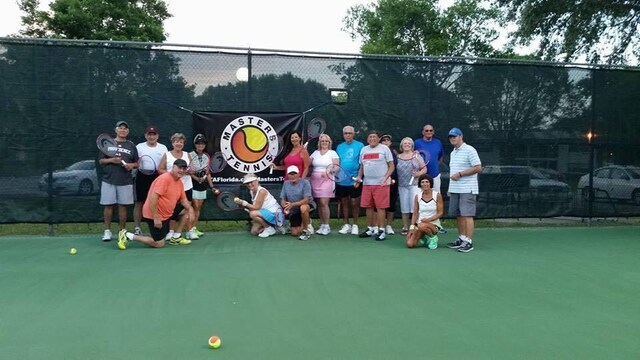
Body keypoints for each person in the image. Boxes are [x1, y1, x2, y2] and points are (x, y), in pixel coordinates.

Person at [117, 159, 195, 249]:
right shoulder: (164, 179)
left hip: (167, 214)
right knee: (159, 243)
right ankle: (126, 235)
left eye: (184, 168)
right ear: (173, 167)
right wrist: (156, 217)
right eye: (179, 168)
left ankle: (176, 237)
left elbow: (184, 200)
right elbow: (153, 198)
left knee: (186, 210)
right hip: (153, 215)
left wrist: (191, 210)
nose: (181, 170)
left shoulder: (179, 182)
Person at [99, 120, 138, 241]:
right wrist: (111, 160)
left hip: (125, 181)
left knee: (123, 207)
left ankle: (122, 232)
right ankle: (107, 231)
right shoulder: (108, 144)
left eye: (125, 128)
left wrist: (131, 165)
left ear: (128, 131)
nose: (122, 130)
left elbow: (137, 163)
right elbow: (101, 161)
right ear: (116, 130)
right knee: (108, 206)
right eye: (120, 128)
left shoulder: (131, 145)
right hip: (108, 180)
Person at [446, 128, 482, 253]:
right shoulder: (453, 152)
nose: (452, 138)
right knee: (458, 215)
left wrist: (461, 174)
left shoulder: (470, 150)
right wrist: (450, 188)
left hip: (468, 188)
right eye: (450, 137)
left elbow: (478, 168)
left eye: (454, 136)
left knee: (467, 215)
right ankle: (462, 238)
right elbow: (452, 172)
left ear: (461, 136)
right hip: (455, 189)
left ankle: (468, 241)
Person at [355, 130, 395, 241]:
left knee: (380, 208)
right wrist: (359, 178)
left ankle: (381, 230)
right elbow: (362, 167)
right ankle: (370, 229)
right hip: (367, 183)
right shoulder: (364, 150)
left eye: (374, 137)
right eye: (370, 137)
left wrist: (385, 178)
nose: (372, 139)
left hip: (382, 184)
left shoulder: (384, 149)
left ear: (378, 139)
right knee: (368, 207)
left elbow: (391, 166)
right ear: (368, 139)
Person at [158, 133, 196, 241]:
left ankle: (184, 232)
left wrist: (189, 171)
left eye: (181, 142)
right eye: (176, 141)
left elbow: (192, 170)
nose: (178, 144)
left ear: (183, 143)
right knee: (172, 211)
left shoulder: (187, 154)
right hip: (172, 188)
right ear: (172, 143)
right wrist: (172, 174)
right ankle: (171, 231)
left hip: (187, 187)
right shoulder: (167, 155)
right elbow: (160, 169)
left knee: (186, 210)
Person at [133, 125, 168, 236]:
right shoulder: (139, 147)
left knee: (157, 202)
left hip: (157, 176)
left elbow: (166, 164)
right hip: (142, 176)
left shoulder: (163, 148)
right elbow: (135, 162)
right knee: (140, 202)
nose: (151, 137)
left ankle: (157, 226)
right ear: (145, 136)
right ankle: (137, 228)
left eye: (154, 135)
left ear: (157, 136)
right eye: (149, 134)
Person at [335, 125, 365, 235]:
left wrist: (359, 178)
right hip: (341, 180)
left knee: (355, 203)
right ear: (343, 135)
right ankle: (346, 224)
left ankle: (355, 225)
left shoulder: (360, 146)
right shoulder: (339, 147)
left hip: (354, 180)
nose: (348, 135)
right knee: (344, 202)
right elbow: (337, 163)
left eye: (350, 133)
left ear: (353, 134)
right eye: (346, 133)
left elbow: (362, 163)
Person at [234, 173, 282, 238]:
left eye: (251, 182)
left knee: (252, 214)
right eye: (247, 183)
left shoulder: (262, 191)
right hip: (264, 213)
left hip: (276, 214)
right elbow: (255, 207)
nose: (249, 185)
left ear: (256, 181)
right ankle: (274, 228)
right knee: (254, 231)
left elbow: (257, 207)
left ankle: (269, 228)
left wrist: (244, 203)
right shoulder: (251, 191)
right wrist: (245, 207)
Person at [309, 134, 339, 235]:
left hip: (328, 180)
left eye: (326, 141)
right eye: (322, 141)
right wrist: (303, 151)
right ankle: (322, 225)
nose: (324, 143)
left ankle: (327, 226)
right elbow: (307, 162)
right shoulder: (315, 153)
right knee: (319, 203)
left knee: (324, 203)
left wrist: (328, 172)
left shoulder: (332, 153)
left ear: (329, 142)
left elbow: (336, 167)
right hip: (315, 180)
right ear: (319, 143)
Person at [189, 134, 218, 238]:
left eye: (202, 143)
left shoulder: (206, 156)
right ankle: (189, 230)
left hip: (203, 184)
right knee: (194, 207)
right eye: (198, 143)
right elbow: (189, 172)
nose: (200, 145)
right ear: (195, 144)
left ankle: (194, 228)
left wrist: (212, 186)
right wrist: (197, 179)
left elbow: (208, 173)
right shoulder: (190, 155)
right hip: (193, 183)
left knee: (198, 207)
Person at [396, 137, 427, 235]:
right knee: (404, 207)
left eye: (409, 143)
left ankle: (414, 226)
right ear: (401, 145)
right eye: (405, 143)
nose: (407, 145)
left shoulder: (417, 156)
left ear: (412, 145)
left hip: (414, 185)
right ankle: (405, 227)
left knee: (414, 207)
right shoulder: (398, 157)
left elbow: (424, 169)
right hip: (402, 185)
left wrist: (418, 174)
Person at [406, 174, 443, 249]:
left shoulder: (437, 195)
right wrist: (412, 227)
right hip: (420, 225)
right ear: (420, 184)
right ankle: (426, 237)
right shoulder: (417, 196)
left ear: (430, 183)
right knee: (410, 244)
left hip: (434, 225)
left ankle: (433, 237)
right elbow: (415, 213)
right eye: (422, 182)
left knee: (422, 225)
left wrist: (428, 220)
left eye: (427, 182)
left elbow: (440, 213)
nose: (425, 184)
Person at [280, 165, 316, 241]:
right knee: (295, 233)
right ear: (287, 175)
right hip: (294, 209)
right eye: (290, 174)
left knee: (303, 208)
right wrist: (284, 206)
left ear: (298, 174)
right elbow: (283, 198)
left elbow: (306, 200)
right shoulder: (286, 184)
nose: (292, 176)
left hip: (307, 206)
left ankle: (306, 231)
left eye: (294, 173)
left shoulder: (305, 183)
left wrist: (292, 205)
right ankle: (305, 222)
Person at [414, 124, 445, 193]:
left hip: (435, 176)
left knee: (436, 198)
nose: (429, 132)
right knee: (421, 199)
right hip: (421, 178)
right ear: (423, 132)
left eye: (431, 130)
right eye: (426, 130)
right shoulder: (417, 143)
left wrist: (435, 166)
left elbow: (441, 156)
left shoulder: (438, 142)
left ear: (433, 132)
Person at [380, 134, 399, 234]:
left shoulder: (395, 153)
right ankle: (380, 226)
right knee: (380, 205)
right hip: (381, 182)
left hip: (393, 182)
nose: (386, 141)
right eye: (383, 140)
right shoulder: (379, 152)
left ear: (390, 143)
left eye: (388, 140)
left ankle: (389, 225)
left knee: (391, 203)